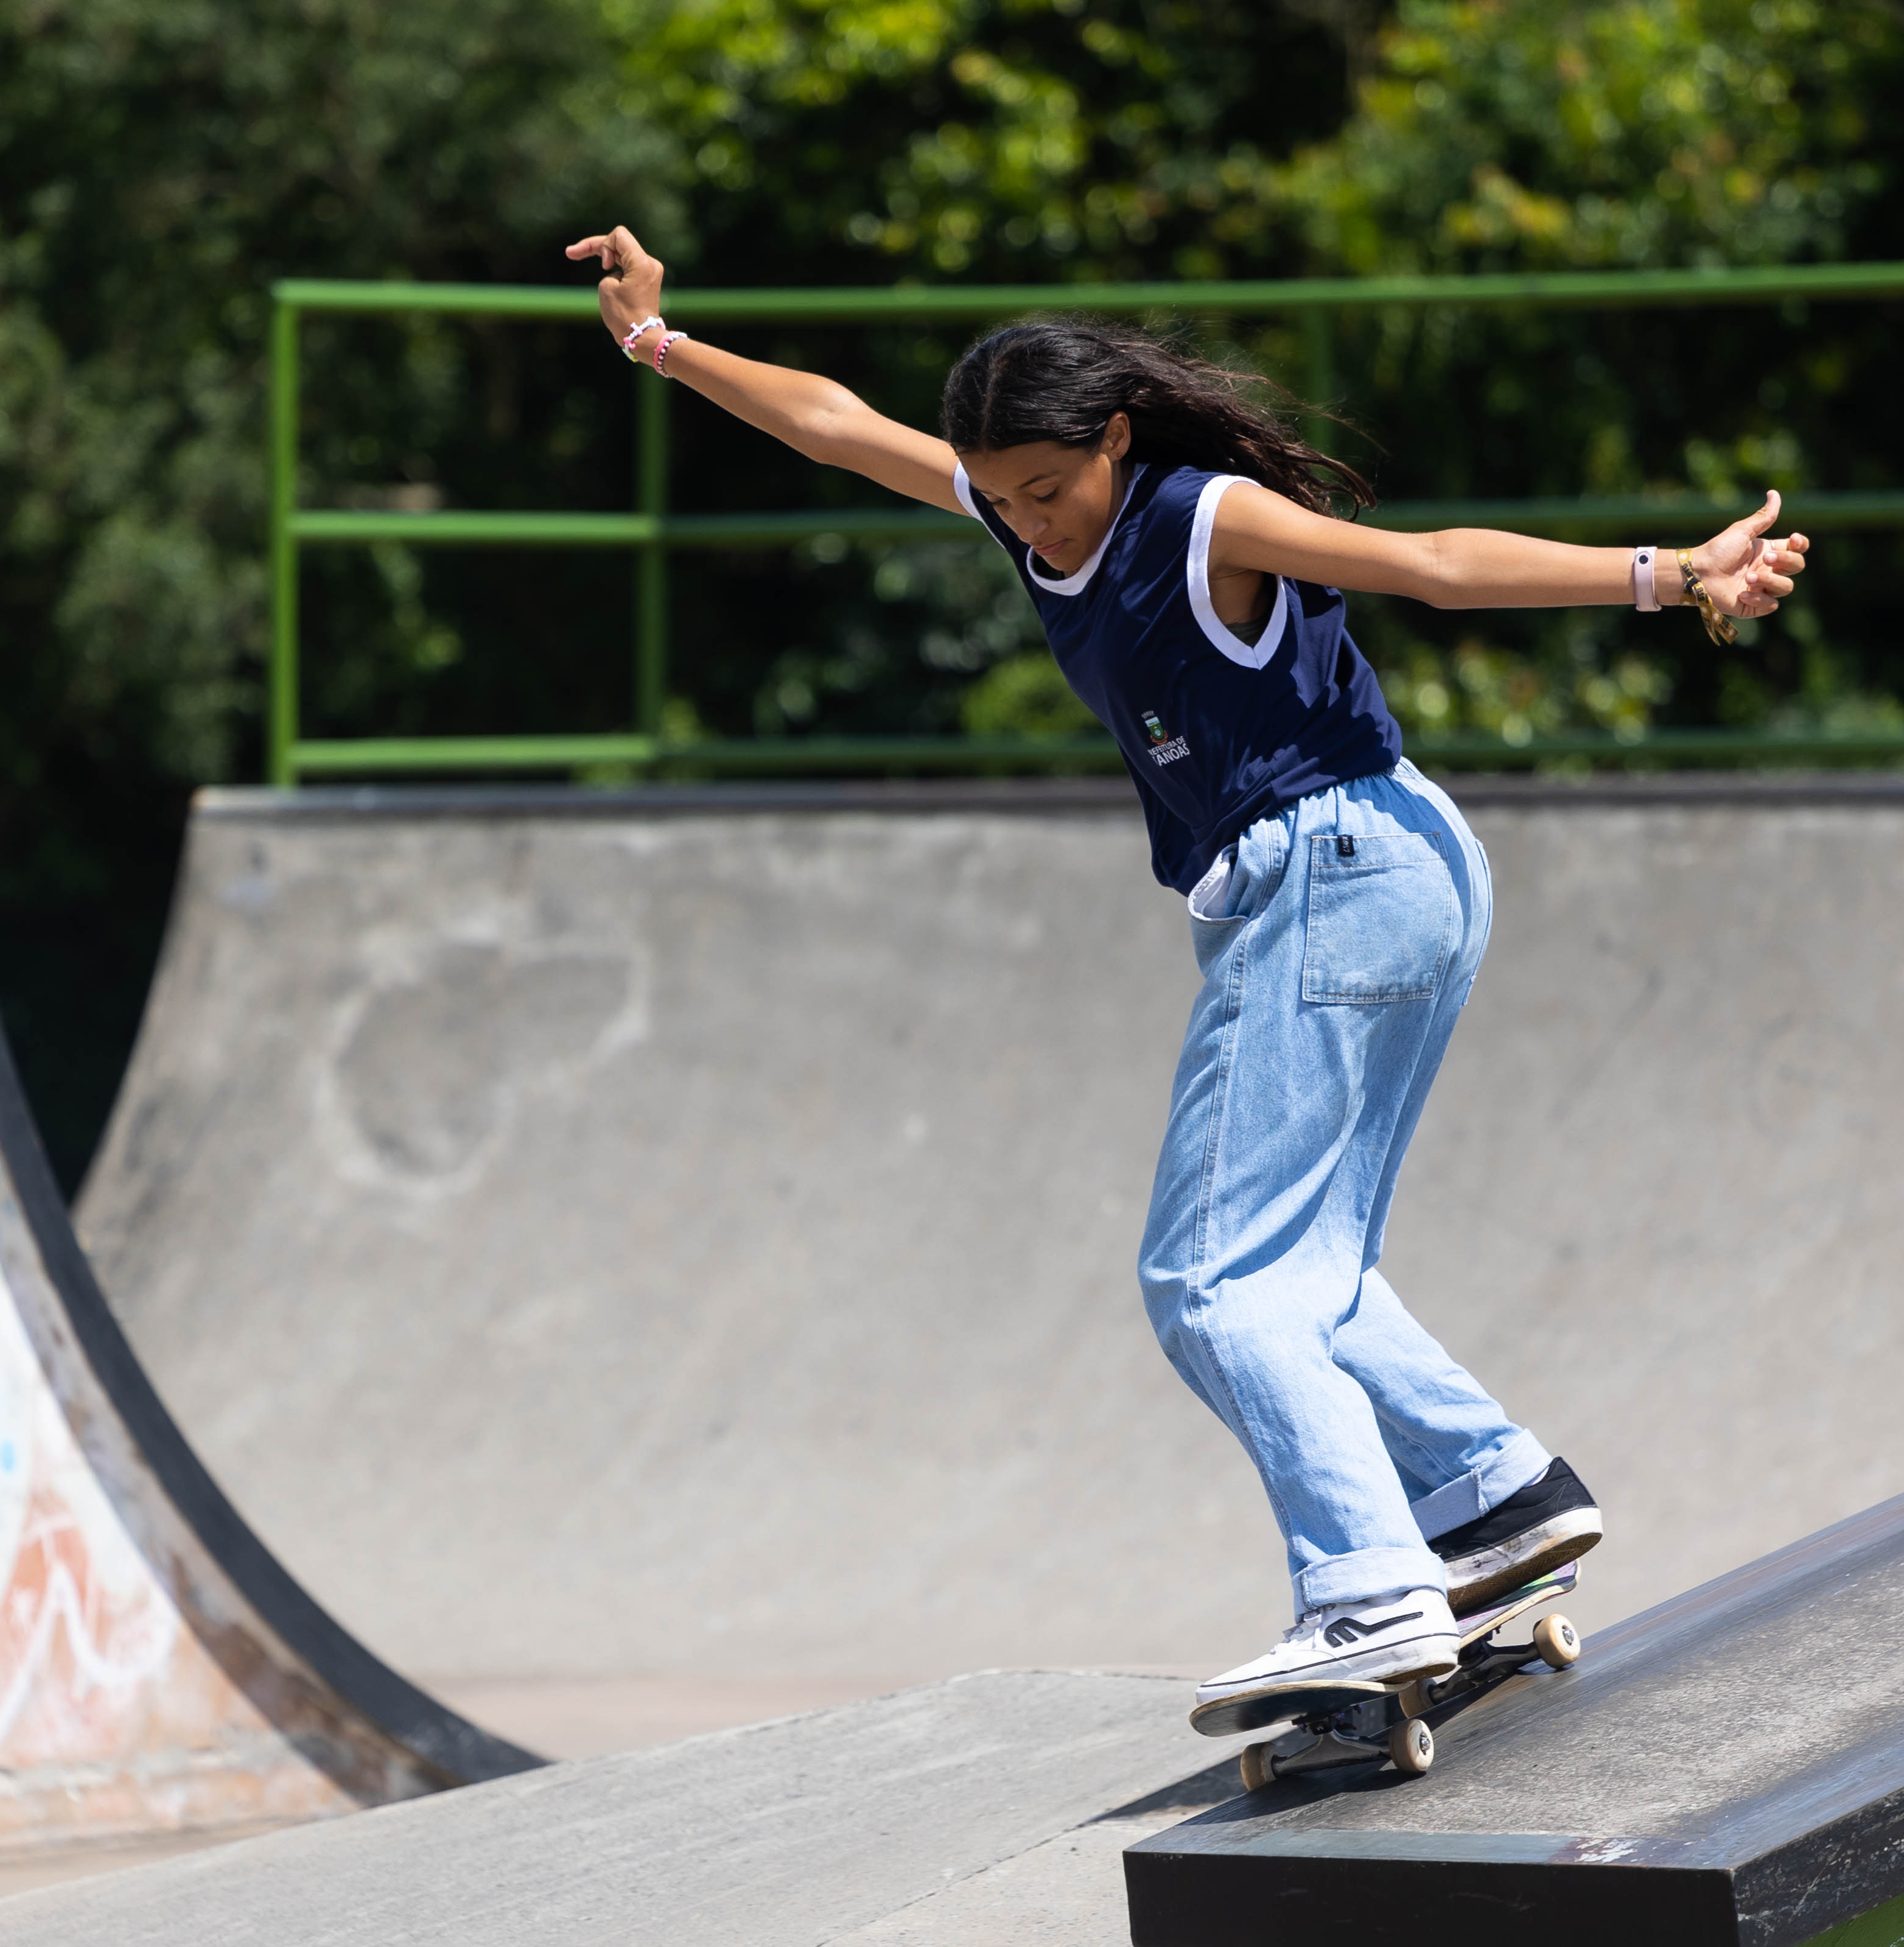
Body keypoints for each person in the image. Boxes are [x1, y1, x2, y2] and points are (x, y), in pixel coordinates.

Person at [565, 225, 1809, 1731]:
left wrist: (1670, 574)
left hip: (1336, 868)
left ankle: (1366, 1584)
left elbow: (1427, 567)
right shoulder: (1024, 506)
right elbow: (838, 425)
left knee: (1209, 1276)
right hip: (1389, 875)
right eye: (1001, 502)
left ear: (1112, 438)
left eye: (1047, 489)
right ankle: (1494, 1497)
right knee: (1304, 1272)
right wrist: (659, 346)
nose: (1031, 528)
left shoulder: (1201, 513)